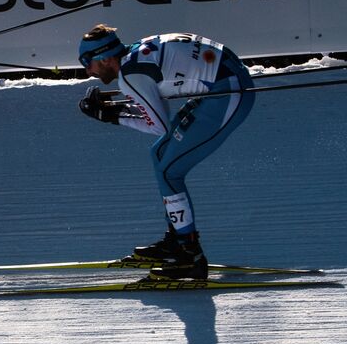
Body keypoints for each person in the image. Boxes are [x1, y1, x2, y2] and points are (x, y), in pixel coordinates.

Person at [76, 24, 256, 279]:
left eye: (88, 63)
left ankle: (189, 254)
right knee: (160, 155)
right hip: (226, 84)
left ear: (104, 58)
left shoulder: (129, 75)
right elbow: (157, 109)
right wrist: (115, 111)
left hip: (227, 94)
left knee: (169, 169)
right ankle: (178, 238)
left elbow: (159, 125)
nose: (88, 71)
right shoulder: (136, 53)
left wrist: (112, 117)